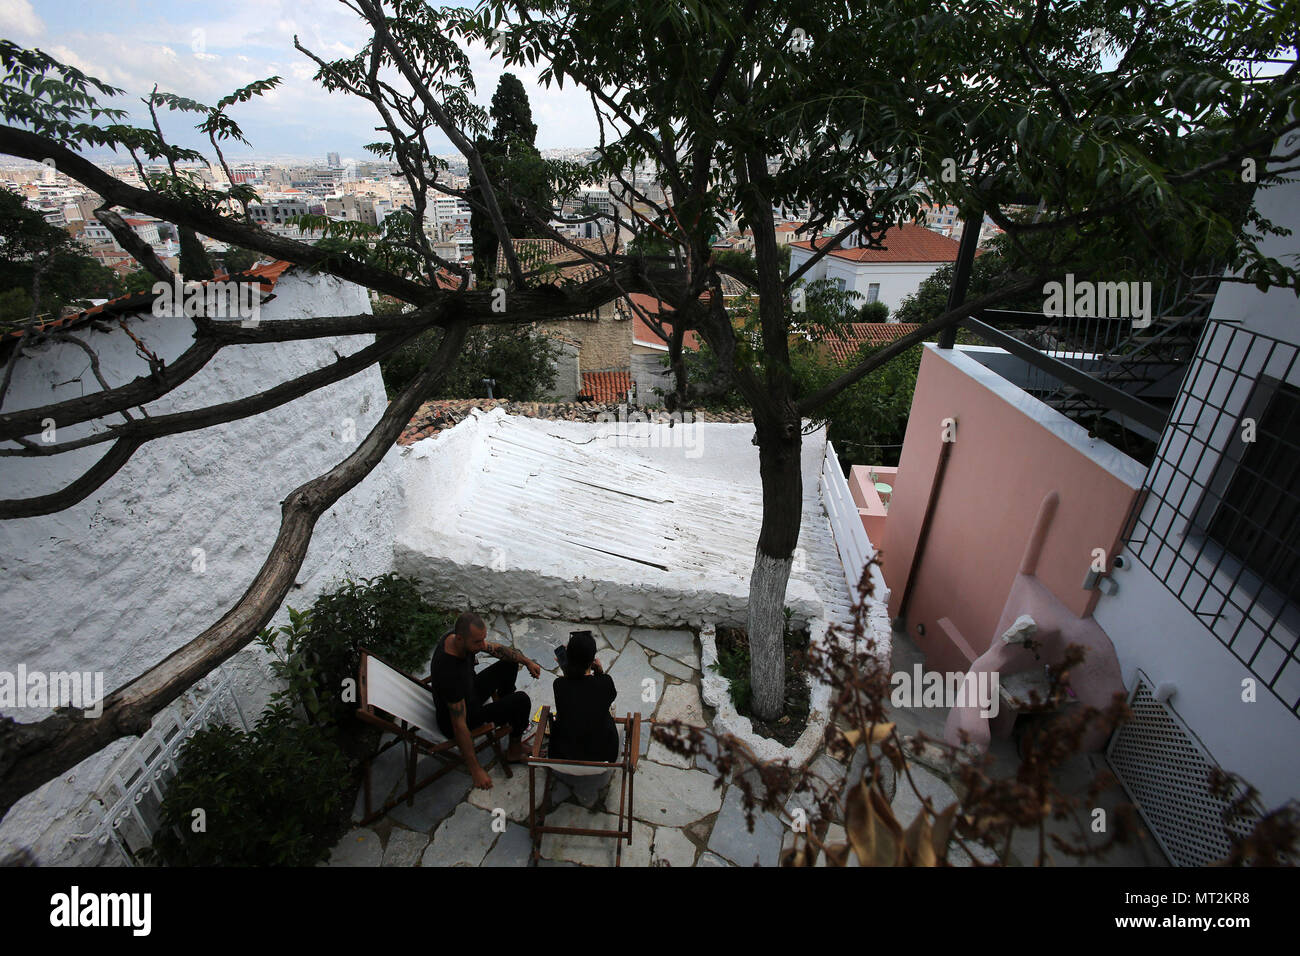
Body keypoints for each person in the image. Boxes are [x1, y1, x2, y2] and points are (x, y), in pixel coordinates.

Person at [430, 611, 540, 790]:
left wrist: (526, 661)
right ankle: (513, 751)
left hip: (470, 692)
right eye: (477, 642)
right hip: (461, 719)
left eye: (483, 639)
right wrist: (475, 770)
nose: (482, 645)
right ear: (459, 639)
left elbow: (495, 649)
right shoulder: (449, 674)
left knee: (509, 662)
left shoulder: (456, 639)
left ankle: (507, 714)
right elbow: (458, 725)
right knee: (521, 701)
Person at [549, 630, 619, 763]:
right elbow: (610, 696)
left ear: (568, 658)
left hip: (563, 756)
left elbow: (573, 689)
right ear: (592, 659)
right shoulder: (605, 682)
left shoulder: (559, 685)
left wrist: (566, 670)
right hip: (604, 756)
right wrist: (599, 672)